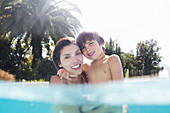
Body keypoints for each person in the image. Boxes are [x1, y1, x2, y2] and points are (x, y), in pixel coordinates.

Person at [58, 31, 124, 83]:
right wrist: (63, 71)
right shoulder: (86, 67)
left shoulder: (111, 60)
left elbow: (119, 86)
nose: (88, 49)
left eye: (90, 43)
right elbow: (72, 70)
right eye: (83, 47)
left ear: (101, 42)